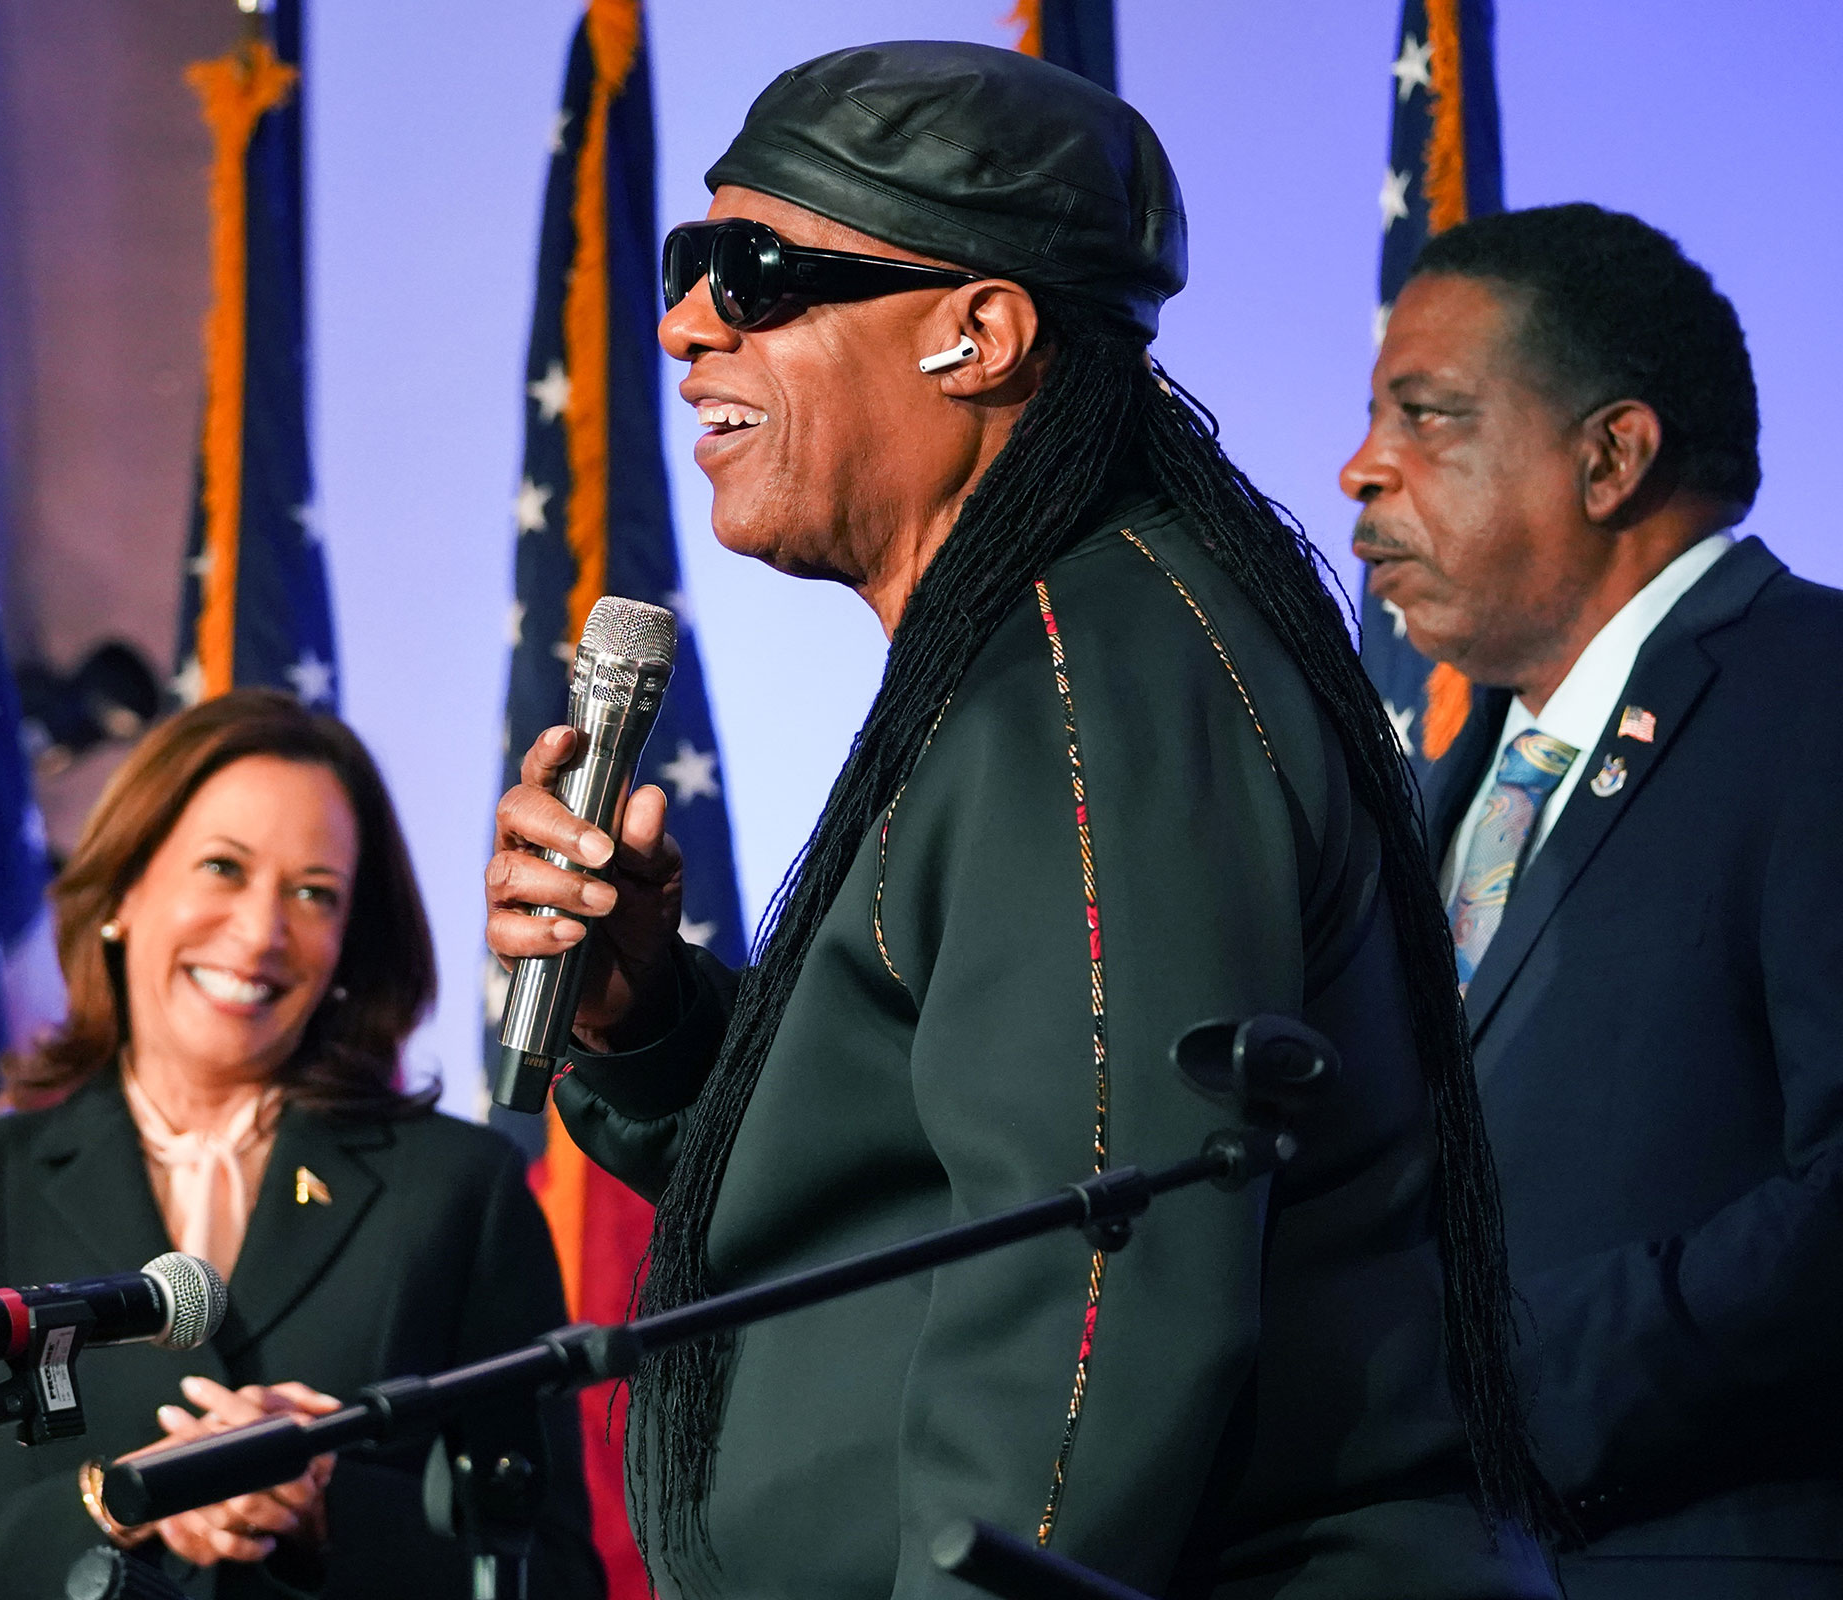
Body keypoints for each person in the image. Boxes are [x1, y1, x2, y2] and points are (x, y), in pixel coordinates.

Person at [485, 41, 1554, 1600]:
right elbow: (899, 1190)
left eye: (755, 271)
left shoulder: (1093, 679)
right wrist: (647, 1024)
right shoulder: (1037, 655)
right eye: (684, 262)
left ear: (976, 332)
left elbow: (1097, 1288)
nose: (683, 321)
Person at [0, 691, 603, 1600]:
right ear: (123, 894)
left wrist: (328, 1508)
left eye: (314, 894)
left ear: (349, 944)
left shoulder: (458, 1191)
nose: (261, 933)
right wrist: (118, 1500)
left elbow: (558, 1580)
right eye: (222, 867)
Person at [1344, 203, 1843, 1597]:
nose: (1361, 469)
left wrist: (1478, 1400)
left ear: (1610, 455)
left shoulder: (1817, 699)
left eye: (1427, 416)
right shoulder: (1425, 804)